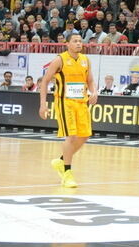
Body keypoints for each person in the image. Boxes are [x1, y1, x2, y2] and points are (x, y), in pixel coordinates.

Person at [38, 34, 97, 188]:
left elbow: (90, 80)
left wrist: (94, 92)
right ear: (67, 44)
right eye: (75, 41)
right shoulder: (59, 60)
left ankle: (61, 160)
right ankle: (67, 173)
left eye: (80, 41)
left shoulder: (85, 60)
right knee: (71, 136)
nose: (78, 43)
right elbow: (44, 81)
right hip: (65, 102)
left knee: (84, 136)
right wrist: (43, 104)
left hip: (81, 102)